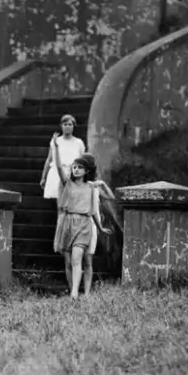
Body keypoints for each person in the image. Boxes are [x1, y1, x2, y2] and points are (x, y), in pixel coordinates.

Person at [51, 137, 112, 299]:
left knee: (78, 258)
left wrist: (100, 228)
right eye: (74, 167)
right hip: (68, 223)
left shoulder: (91, 187)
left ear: (86, 171)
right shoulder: (68, 184)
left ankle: (74, 294)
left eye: (80, 168)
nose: (76, 170)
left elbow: (93, 211)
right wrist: (56, 148)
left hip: (84, 224)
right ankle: (74, 289)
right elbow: (58, 167)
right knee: (70, 260)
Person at [40, 114, 86, 201]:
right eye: (65, 124)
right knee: (58, 201)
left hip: (72, 174)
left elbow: (83, 161)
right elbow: (49, 159)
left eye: (70, 124)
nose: (67, 127)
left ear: (73, 126)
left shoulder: (79, 142)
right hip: (56, 174)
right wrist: (43, 177)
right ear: (61, 126)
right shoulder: (56, 141)